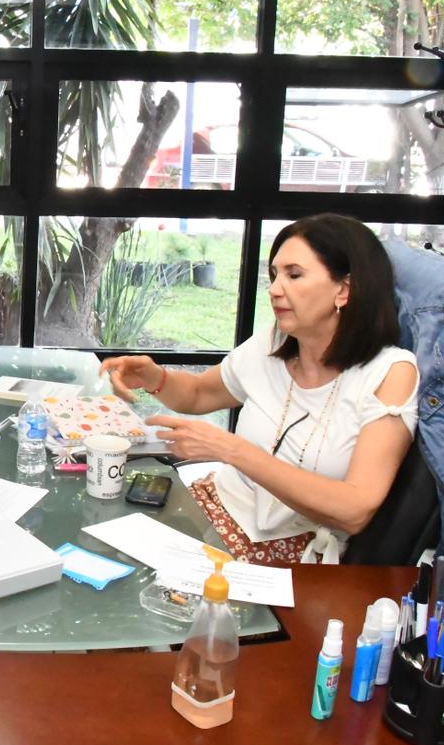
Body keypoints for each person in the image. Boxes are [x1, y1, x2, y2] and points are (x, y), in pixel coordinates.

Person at [101, 214, 419, 563]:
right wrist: (154, 378)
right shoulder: (275, 341)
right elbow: (198, 393)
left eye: (294, 275)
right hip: (213, 508)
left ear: (343, 290)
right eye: (274, 275)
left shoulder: (390, 373)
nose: (275, 289)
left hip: (292, 549)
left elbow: (355, 510)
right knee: (102, 536)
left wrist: (231, 450)